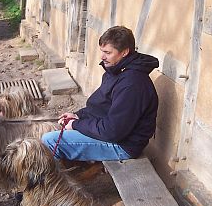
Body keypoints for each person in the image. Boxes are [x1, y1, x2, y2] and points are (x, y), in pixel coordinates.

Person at [42, 26, 159, 162]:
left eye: (108, 52)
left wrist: (75, 124)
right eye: (102, 51)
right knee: (52, 131)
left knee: (50, 141)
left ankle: (55, 176)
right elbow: (100, 107)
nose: (102, 57)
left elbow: (113, 131)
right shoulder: (117, 71)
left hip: (123, 145)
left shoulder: (132, 84)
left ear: (124, 52)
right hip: (113, 136)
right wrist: (78, 116)